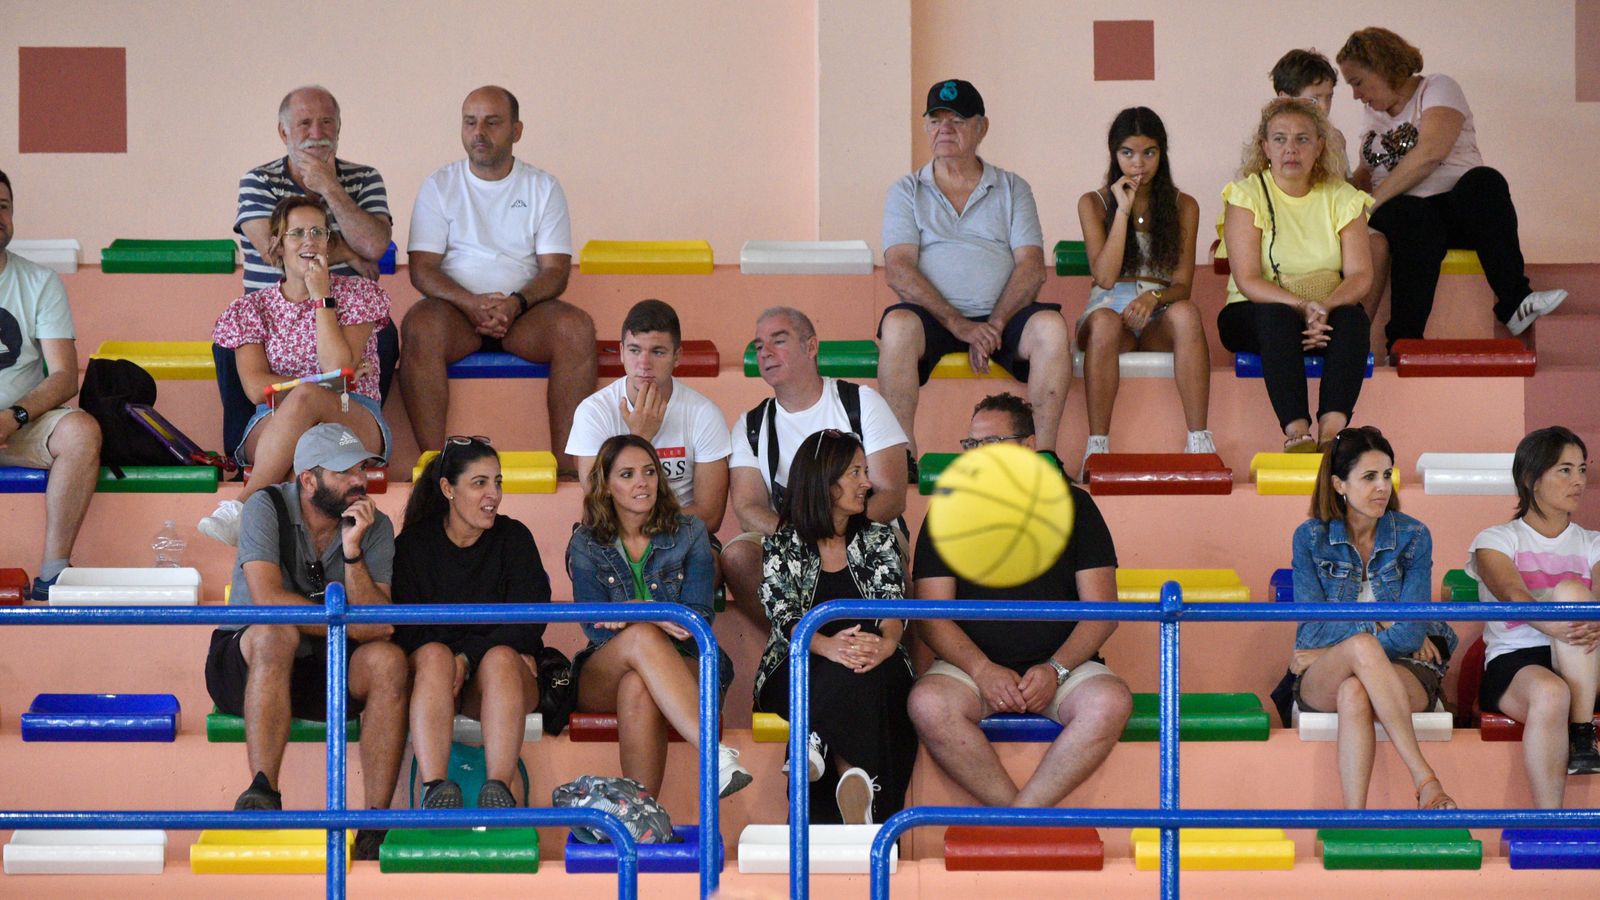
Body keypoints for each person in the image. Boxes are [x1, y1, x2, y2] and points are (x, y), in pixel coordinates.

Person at [907, 393, 1132, 808]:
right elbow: (932, 618)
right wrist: (983, 670)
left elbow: (1103, 612)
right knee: (927, 704)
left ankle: (1020, 816)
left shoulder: (1076, 506)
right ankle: (1020, 817)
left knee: (1111, 701)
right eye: (972, 446)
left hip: (1063, 667)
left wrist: (1055, 670)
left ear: (1028, 447)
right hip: (970, 670)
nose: (979, 456)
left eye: (992, 444)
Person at [202, 424, 406, 860]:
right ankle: (263, 791)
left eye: (362, 469)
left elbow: (381, 623)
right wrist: (346, 622)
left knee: (388, 661)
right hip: (247, 659)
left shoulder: (375, 524)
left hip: (323, 666)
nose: (360, 481)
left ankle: (375, 822)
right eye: (344, 472)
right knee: (277, 632)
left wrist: (352, 553)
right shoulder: (266, 505)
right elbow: (269, 602)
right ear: (308, 480)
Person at [400, 85, 595, 478]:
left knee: (576, 329)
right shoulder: (440, 185)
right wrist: (470, 303)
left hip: (525, 314)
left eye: (492, 122)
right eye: (470, 122)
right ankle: (438, 471)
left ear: (516, 130)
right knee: (419, 325)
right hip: (455, 314)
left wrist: (515, 303)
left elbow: (556, 270)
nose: (479, 132)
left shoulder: (543, 187)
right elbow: (422, 268)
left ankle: (572, 472)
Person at [1337, 27, 1567, 345]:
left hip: (1456, 208)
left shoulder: (1437, 87)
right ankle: (1404, 340)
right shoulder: (1371, 115)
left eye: (1357, 82)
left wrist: (1371, 204)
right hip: (1406, 216)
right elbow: (1366, 172)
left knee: (1485, 181)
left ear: (1382, 65)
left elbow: (1431, 152)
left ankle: (1516, 302)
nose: (1356, 95)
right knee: (1412, 215)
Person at [880, 78, 1070, 461]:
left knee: (1051, 328)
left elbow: (1031, 268)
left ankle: (1045, 455)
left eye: (958, 120)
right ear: (926, 128)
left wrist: (995, 324)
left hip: (1003, 317)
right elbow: (898, 269)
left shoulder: (1013, 187)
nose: (944, 129)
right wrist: (959, 324)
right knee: (897, 326)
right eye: (936, 120)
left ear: (982, 127)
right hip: (934, 318)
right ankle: (902, 458)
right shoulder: (906, 190)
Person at [566, 435, 751, 802]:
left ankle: (641, 814)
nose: (642, 483)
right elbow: (593, 623)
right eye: (628, 474)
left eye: (649, 472)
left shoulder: (690, 532)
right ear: (606, 485)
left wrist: (632, 613)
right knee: (642, 639)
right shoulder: (585, 542)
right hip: (606, 665)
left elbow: (697, 618)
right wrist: (648, 611)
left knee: (639, 684)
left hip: (686, 661)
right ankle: (715, 757)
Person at [199, 196, 393, 545]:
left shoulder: (359, 294)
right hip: (273, 422)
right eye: (298, 233)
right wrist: (326, 385)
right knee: (303, 428)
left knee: (306, 397)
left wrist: (322, 299)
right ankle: (302, 558)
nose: (310, 241)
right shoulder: (250, 308)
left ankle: (243, 507)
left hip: (351, 418)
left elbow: (337, 366)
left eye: (318, 231)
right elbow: (258, 389)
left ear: (330, 244)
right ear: (277, 245)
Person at [1289, 426, 1457, 810]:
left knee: (1355, 690)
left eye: (1386, 474)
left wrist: (1345, 647)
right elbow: (1312, 631)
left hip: (1403, 668)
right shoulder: (1310, 538)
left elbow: (1411, 633)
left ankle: (1355, 818)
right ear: (1339, 485)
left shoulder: (1413, 535)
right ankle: (1426, 781)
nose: (1382, 487)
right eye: (1369, 477)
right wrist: (1378, 621)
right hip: (1325, 673)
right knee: (1361, 650)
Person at [753, 429, 916, 825]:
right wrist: (827, 645)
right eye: (855, 472)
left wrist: (888, 644)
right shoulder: (783, 543)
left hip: (874, 658)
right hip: (801, 659)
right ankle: (861, 794)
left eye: (866, 470)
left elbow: (893, 603)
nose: (867, 482)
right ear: (824, 482)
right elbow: (783, 613)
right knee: (831, 672)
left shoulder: (879, 538)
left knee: (870, 676)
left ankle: (812, 750)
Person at [226, 86, 397, 460]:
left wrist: (328, 185)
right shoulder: (259, 180)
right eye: (304, 123)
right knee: (279, 423)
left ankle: (244, 503)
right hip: (267, 324)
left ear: (339, 128)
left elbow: (376, 245)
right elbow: (273, 249)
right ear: (283, 132)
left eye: (326, 122)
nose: (317, 133)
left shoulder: (364, 178)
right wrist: (351, 250)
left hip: (346, 323)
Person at [393, 436, 549, 809]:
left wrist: (467, 656)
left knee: (500, 658)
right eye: (479, 483)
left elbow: (529, 621)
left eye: (497, 481)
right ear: (447, 488)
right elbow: (407, 630)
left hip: (495, 683)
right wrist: (453, 658)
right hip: (435, 683)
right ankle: (435, 786)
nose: (493, 493)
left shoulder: (514, 538)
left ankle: (498, 786)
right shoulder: (414, 545)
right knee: (432, 655)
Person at [723, 307, 908, 613]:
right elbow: (747, 508)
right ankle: (795, 646)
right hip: (793, 540)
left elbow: (891, 495)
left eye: (778, 341)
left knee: (884, 551)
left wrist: (836, 538)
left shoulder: (861, 402)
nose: (765, 353)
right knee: (738, 556)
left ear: (811, 346)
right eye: (758, 346)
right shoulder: (752, 424)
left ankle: (889, 654)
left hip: (865, 532)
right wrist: (805, 538)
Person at [1218, 98, 1374, 452]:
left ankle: (1332, 433)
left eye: (1303, 139)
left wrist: (1324, 308)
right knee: (1276, 317)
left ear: (1319, 146)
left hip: (1323, 310)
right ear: (1264, 148)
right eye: (1280, 139)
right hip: (1254, 310)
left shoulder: (1342, 197)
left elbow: (1361, 275)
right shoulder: (1246, 195)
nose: (1291, 149)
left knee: (1352, 319)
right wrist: (1304, 307)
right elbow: (1248, 280)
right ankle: (1297, 431)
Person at [1468, 426, 1600, 806]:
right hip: (1517, 662)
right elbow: (1512, 593)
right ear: (1530, 479)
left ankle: (1581, 728)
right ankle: (1549, 820)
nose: (1578, 481)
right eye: (1565, 470)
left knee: (1574, 590)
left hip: (1586, 659)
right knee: (1550, 691)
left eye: (1582, 470)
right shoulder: (1494, 539)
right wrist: (1555, 625)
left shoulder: (1592, 542)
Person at [1075, 107, 1210, 475]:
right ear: (1113, 154)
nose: (1138, 164)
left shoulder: (1184, 205)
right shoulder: (1094, 202)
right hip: (1108, 308)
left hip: (1157, 311)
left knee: (1188, 314)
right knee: (1103, 323)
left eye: (1149, 152)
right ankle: (1098, 446)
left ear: (1162, 153)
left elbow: (1183, 285)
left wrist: (1153, 298)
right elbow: (1103, 276)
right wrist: (1122, 210)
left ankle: (1200, 441)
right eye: (1127, 153)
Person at [0, 169, 102, 601]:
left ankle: (53, 572)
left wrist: (13, 416)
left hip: (17, 426)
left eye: (3, 208)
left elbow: (63, 376)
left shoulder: (39, 282)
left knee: (81, 430)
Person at [567, 299, 730, 534]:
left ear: (677, 356)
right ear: (621, 352)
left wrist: (644, 523)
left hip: (680, 536)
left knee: (711, 562)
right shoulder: (593, 411)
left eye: (658, 352)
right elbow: (598, 508)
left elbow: (710, 516)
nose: (644, 364)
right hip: (616, 536)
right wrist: (638, 438)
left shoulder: (704, 414)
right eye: (634, 350)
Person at [1270, 49, 1350, 176]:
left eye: (1329, 98)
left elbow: (1347, 188)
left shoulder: (1335, 139)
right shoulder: (1270, 139)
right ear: (1284, 99)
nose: (1324, 107)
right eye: (1313, 99)